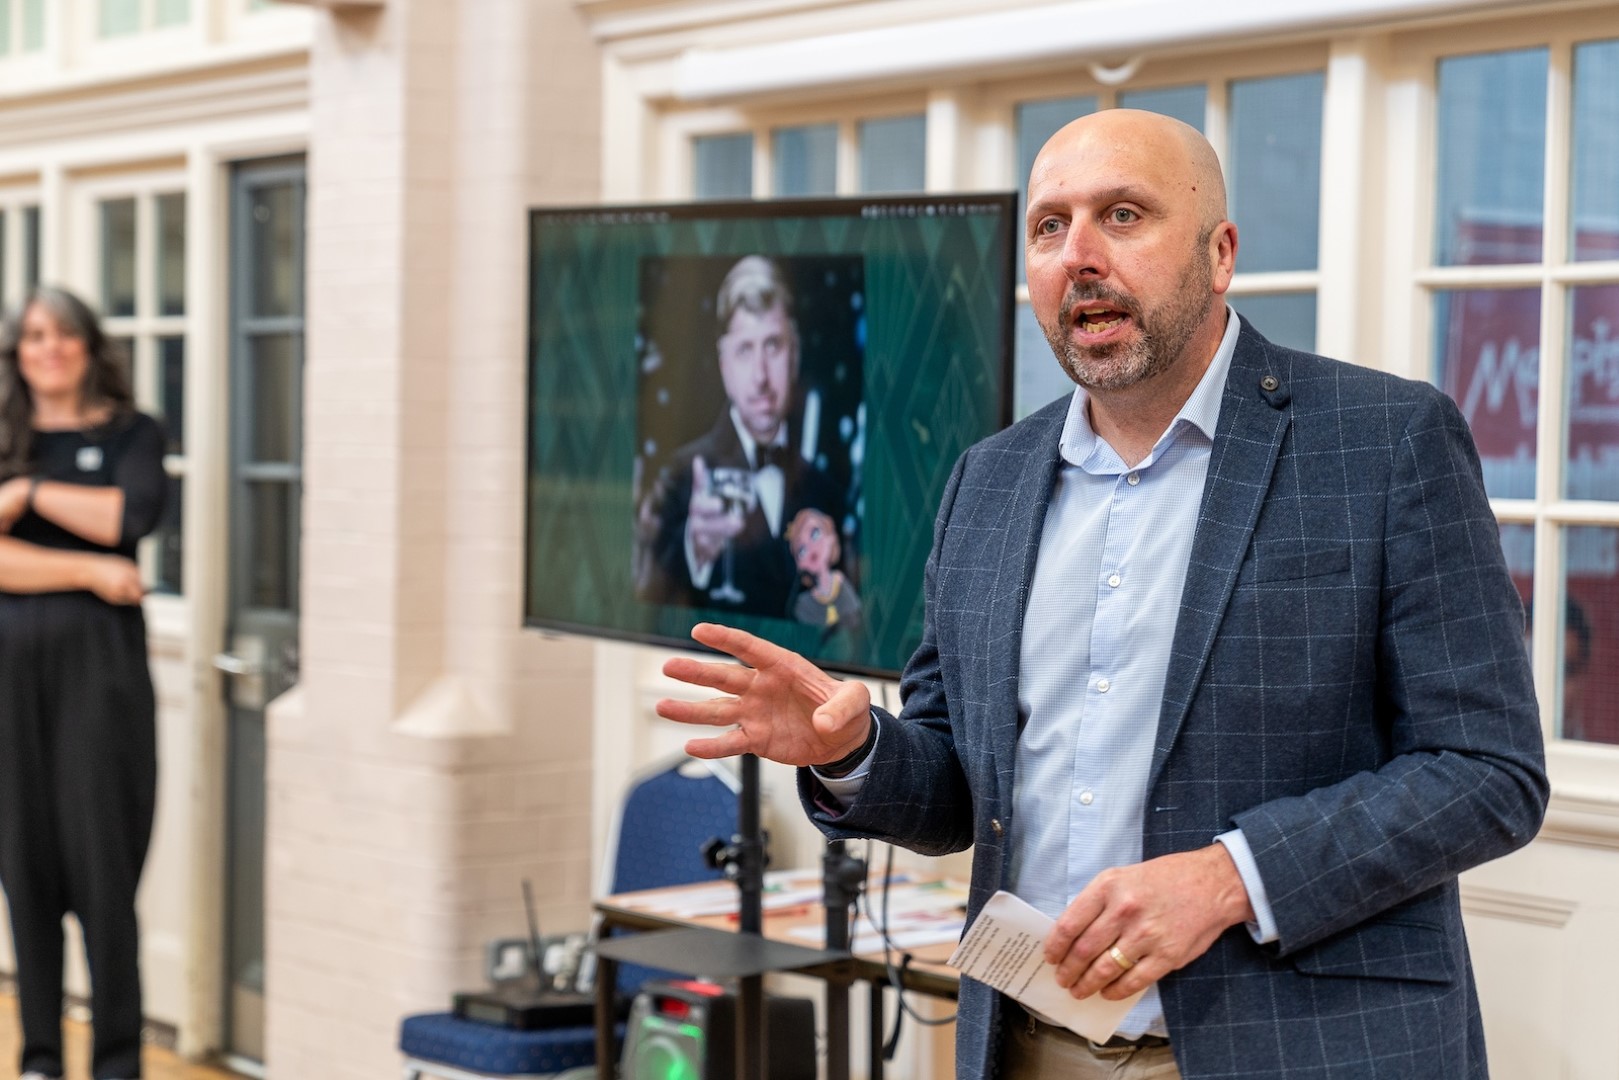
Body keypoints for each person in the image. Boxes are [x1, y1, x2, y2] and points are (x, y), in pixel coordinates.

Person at [655, 110, 1547, 1080]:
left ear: (1219, 255)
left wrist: (1227, 879)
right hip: (1030, 1048)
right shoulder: (984, 483)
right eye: (1048, 228)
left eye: (1120, 215)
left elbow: (1488, 772)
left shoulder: (1383, 444)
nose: (1077, 255)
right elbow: (960, 784)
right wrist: (851, 749)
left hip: (1300, 1053)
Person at [0, 286, 167, 1080]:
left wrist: (27, 496)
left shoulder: (133, 433)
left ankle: (116, 1062)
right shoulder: (3, 433)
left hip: (99, 680)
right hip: (9, 679)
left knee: (104, 867)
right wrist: (89, 571)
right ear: (17, 351)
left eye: (65, 334)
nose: (50, 348)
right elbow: (101, 545)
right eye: (35, 335)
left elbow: (127, 517)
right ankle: (39, 1058)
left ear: (91, 347)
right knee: (22, 862)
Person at [635, 255, 845, 619]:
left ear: (794, 354)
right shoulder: (680, 474)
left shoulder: (826, 490)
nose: (761, 376)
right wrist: (695, 550)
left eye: (773, 346)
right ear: (723, 364)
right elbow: (645, 598)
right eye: (745, 350)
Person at [786, 506, 862, 636]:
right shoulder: (803, 604)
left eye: (815, 534)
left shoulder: (844, 583)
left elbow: (856, 621)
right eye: (802, 550)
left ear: (830, 536)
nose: (811, 548)